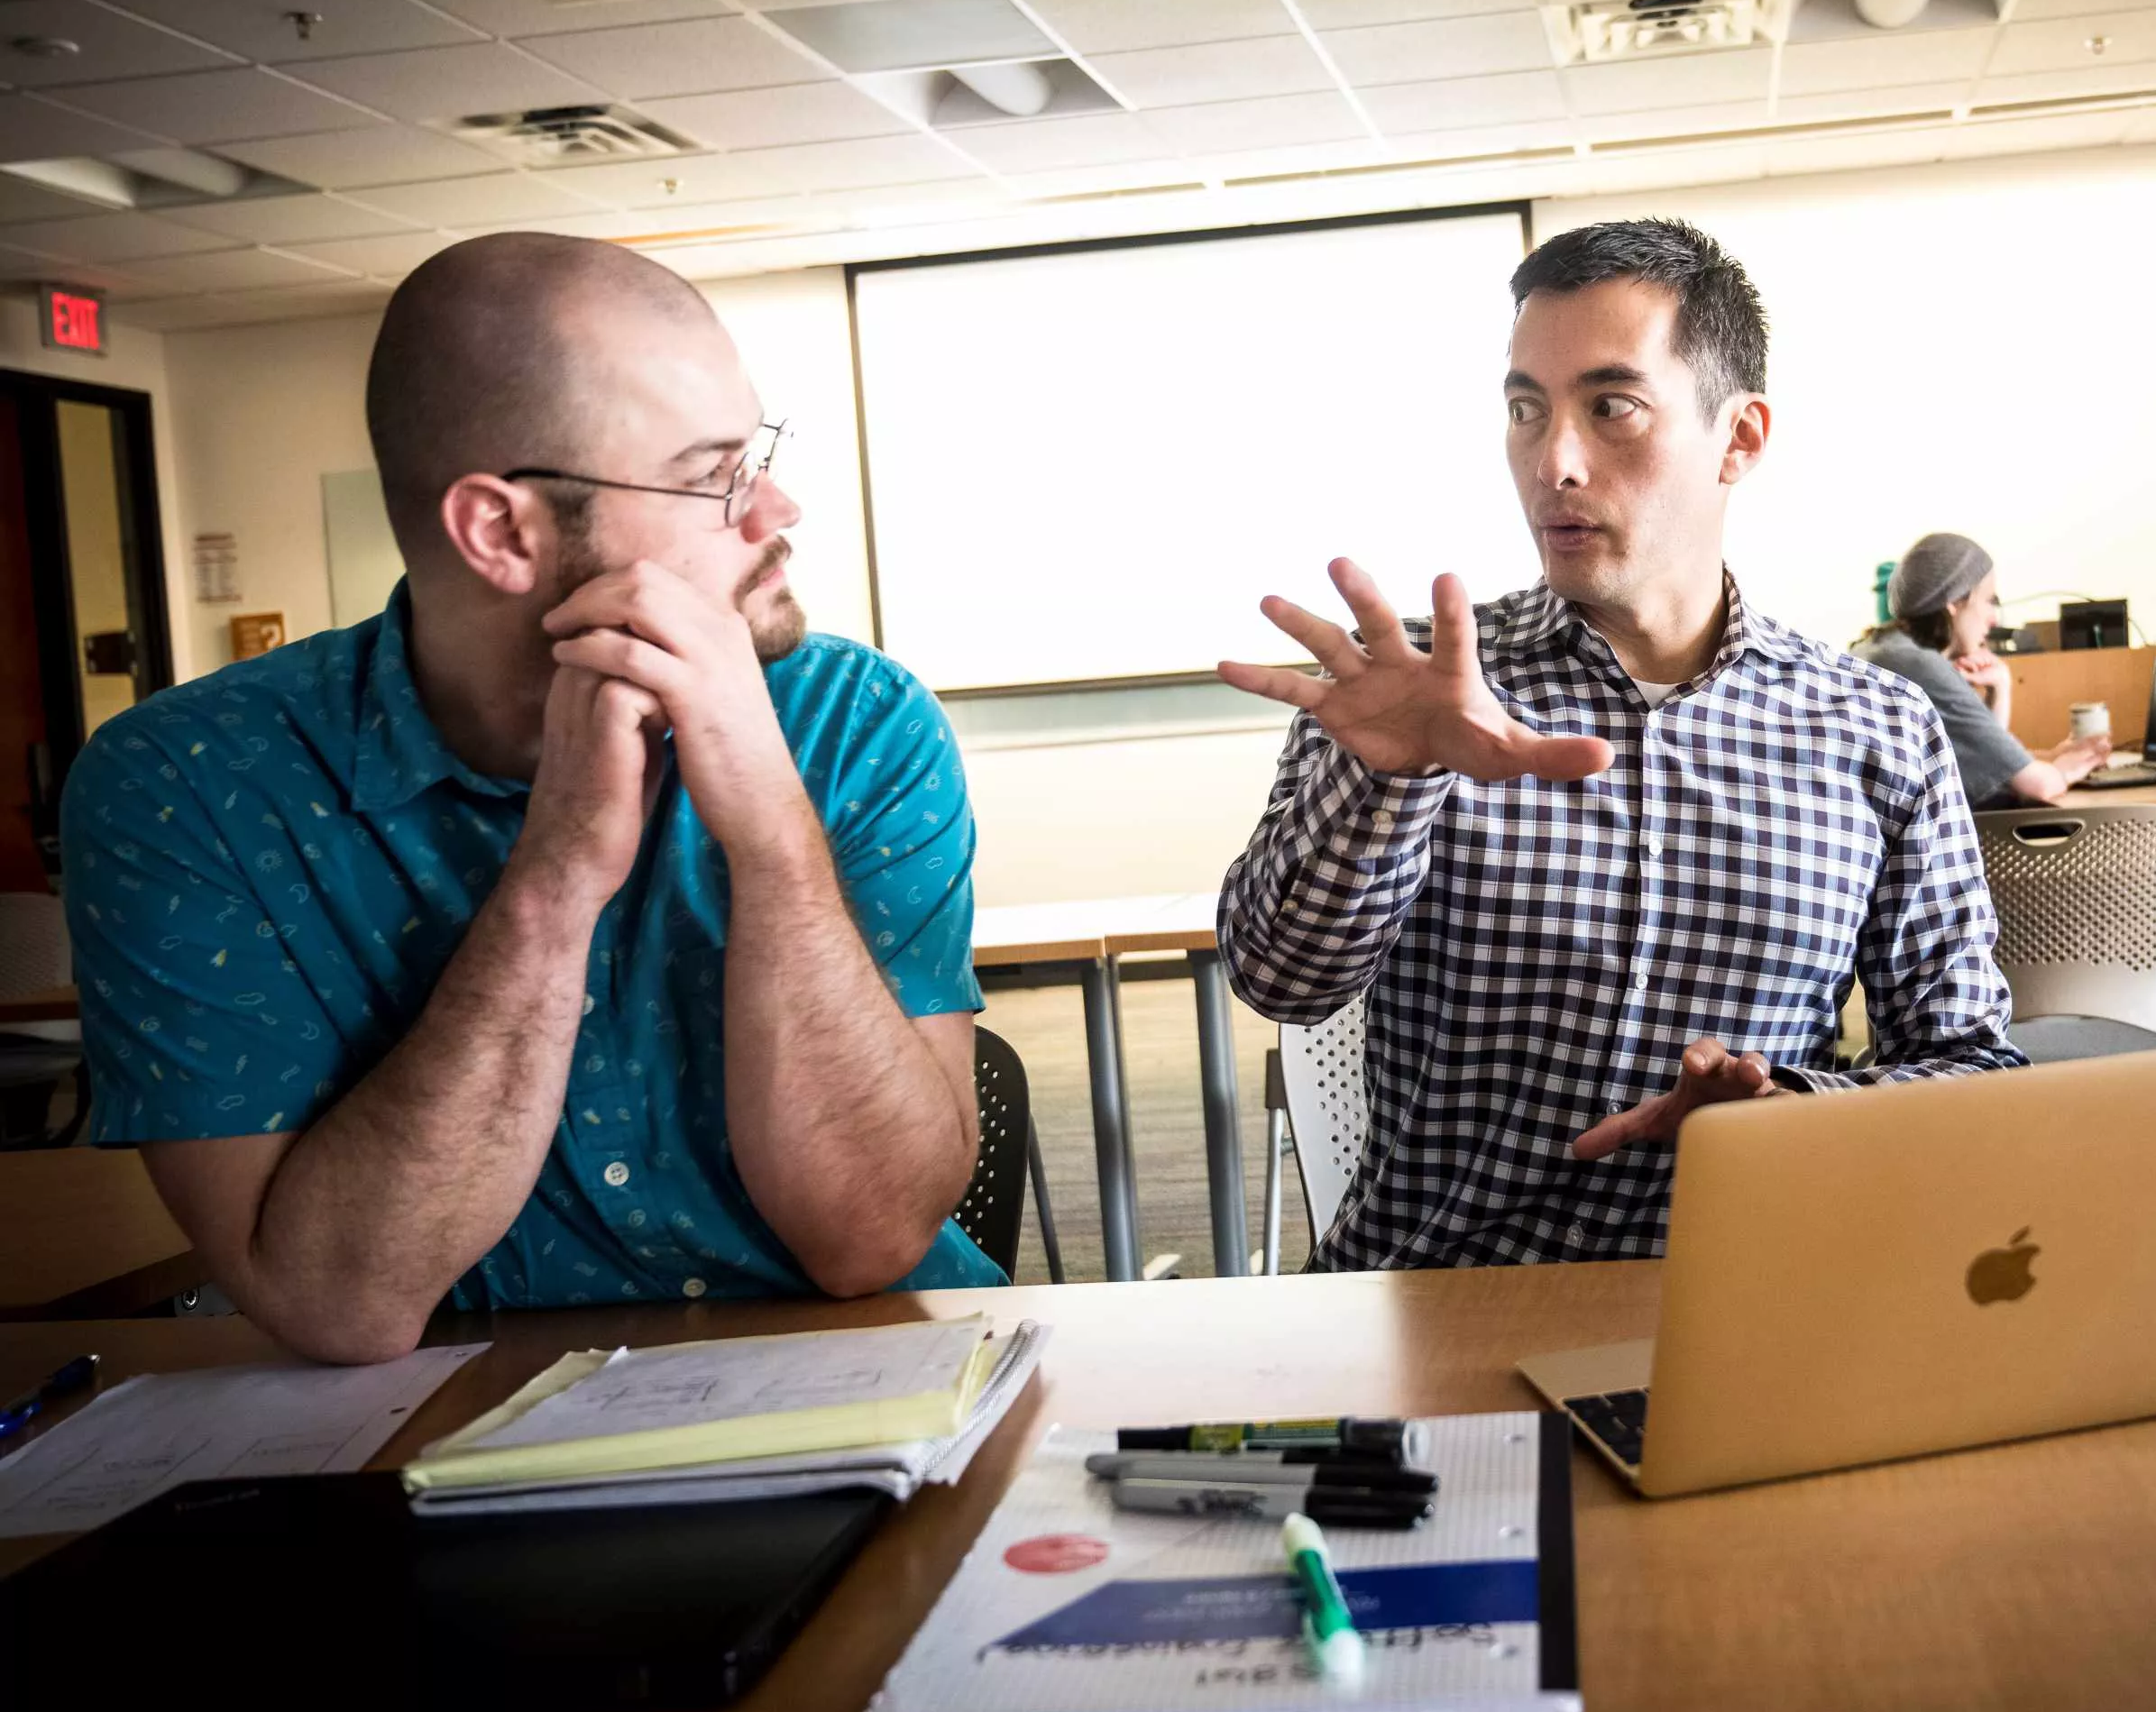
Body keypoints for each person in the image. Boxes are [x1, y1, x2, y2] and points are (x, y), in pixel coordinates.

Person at [63, 234, 995, 1364]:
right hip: (449, 1440)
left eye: (759, 454)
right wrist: (555, 877)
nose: (775, 509)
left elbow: (871, 1238)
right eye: (713, 475)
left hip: (879, 1385)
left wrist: (769, 833)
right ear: (503, 531)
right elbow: (341, 1304)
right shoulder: (184, 787)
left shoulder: (853, 719)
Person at [1217, 218, 2022, 1269]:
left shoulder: (1874, 728)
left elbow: (1967, 1060)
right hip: (1437, 1302)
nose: (1552, 461)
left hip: (1746, 1297)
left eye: (1611, 408)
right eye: (1524, 409)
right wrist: (1386, 783)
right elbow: (1279, 980)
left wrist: (1792, 1104)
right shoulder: (1417, 687)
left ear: (1738, 438)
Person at [1851, 533, 2110, 807]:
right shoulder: (1919, 666)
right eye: (1989, 601)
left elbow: (1990, 762)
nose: (1994, 619)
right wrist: (2071, 766)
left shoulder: (1881, 649)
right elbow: (2039, 786)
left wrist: (2001, 688)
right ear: (1954, 601)